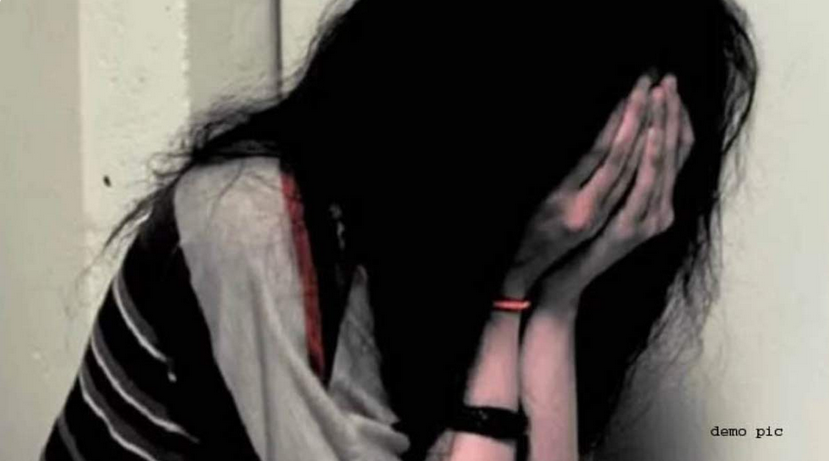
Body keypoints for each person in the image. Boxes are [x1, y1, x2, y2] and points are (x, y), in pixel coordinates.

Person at [41, 0, 757, 460]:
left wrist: (556, 299)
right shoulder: (253, 224)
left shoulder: (490, 268)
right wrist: (511, 292)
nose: (593, 208)